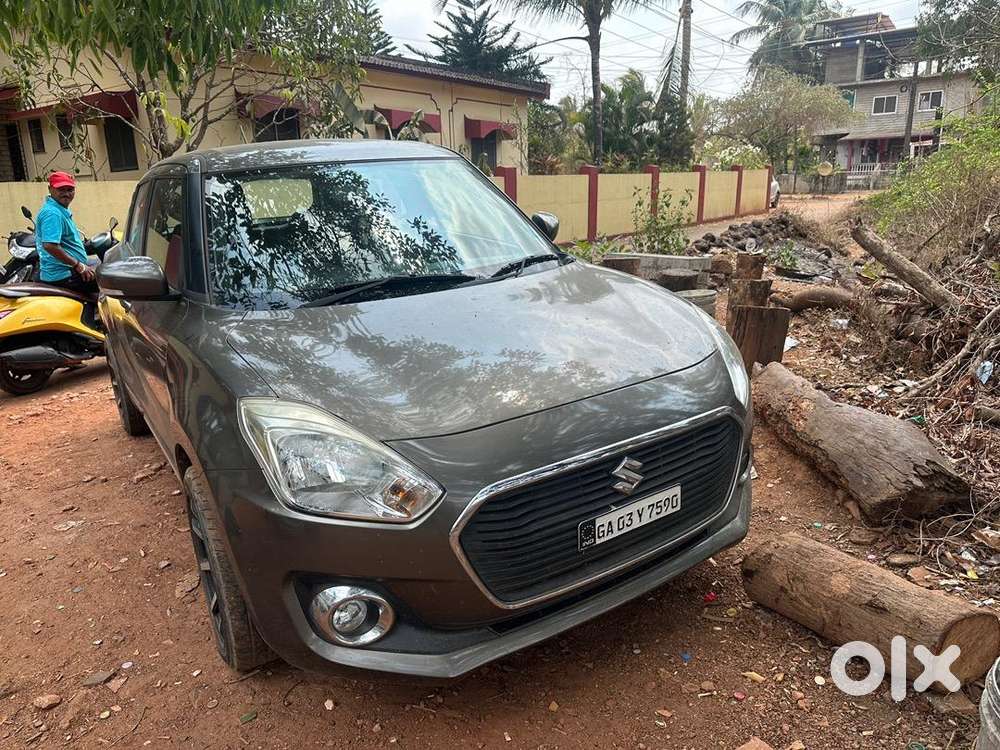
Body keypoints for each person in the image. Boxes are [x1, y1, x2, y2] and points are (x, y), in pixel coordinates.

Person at [36, 171, 97, 294]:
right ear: (50, 189)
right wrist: (78, 266)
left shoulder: (59, 209)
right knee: (112, 285)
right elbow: (50, 245)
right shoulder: (52, 213)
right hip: (64, 275)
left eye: (70, 189)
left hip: (65, 270)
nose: (66, 194)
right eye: (61, 189)